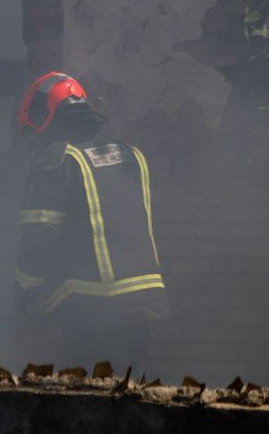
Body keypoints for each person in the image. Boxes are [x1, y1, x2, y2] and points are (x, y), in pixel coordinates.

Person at [13, 71, 168, 368]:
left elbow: (39, 238)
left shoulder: (58, 160)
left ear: (45, 120)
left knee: (84, 393)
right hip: (143, 307)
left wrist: (23, 286)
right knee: (126, 392)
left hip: (93, 310)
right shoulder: (131, 155)